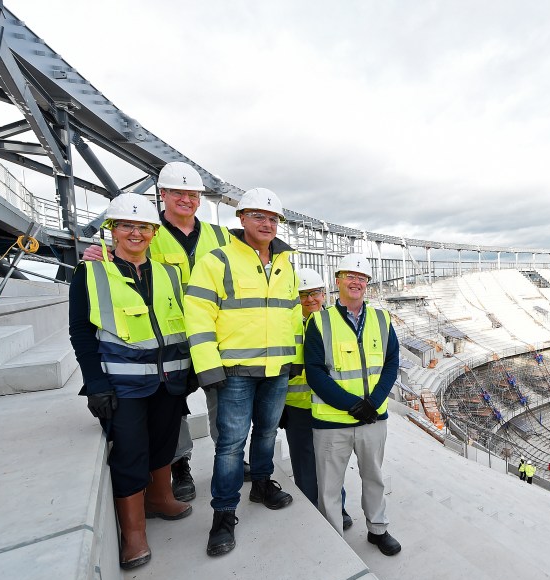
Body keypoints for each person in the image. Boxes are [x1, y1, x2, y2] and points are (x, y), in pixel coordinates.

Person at [82, 162, 232, 502]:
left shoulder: (220, 236)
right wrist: (101, 253)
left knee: (222, 402)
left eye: (192, 194)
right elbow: (127, 254)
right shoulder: (147, 229)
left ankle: (229, 459)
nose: (185, 199)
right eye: (177, 192)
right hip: (170, 336)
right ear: (161, 194)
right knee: (173, 406)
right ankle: (179, 466)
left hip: (213, 334)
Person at [68, 193, 192, 570]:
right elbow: (81, 334)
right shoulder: (91, 273)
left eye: (143, 227)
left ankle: (160, 498)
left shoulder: (170, 273)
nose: (135, 233)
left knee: (164, 443)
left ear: (154, 233)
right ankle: (134, 533)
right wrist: (96, 383)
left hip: (170, 379)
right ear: (112, 230)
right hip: (123, 384)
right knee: (129, 452)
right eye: (127, 226)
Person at [185, 187, 301, 557]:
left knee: (267, 432)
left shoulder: (286, 264)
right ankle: (223, 514)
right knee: (231, 445)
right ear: (242, 219)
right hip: (233, 370)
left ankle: (262, 484)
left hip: (277, 367)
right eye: (258, 217)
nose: (267, 224)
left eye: (273, 219)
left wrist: (294, 355)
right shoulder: (217, 260)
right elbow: (199, 315)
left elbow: (293, 312)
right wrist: (208, 366)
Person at [304, 253, 402, 556]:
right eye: (349, 275)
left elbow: (390, 363)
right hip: (332, 423)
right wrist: (351, 405)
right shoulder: (320, 321)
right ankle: (336, 543)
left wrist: (373, 402)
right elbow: (315, 372)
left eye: (361, 277)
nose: (356, 281)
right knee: (330, 486)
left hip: (373, 419)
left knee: (374, 477)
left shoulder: (382, 318)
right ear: (338, 280)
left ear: (367, 283)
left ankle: (378, 529)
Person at [284, 267, 353, 530]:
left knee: (332, 462)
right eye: (303, 295)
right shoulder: (288, 326)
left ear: (323, 294)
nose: (310, 299)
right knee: (304, 464)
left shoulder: (333, 322)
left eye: (314, 293)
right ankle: (312, 510)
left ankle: (339, 508)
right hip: (298, 407)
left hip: (327, 405)